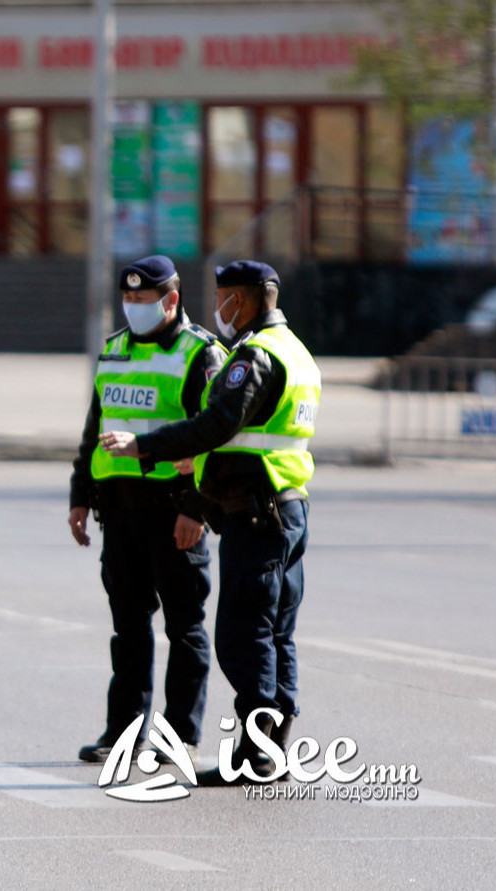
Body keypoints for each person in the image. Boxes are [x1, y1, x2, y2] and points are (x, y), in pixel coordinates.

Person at [98, 260, 319, 786]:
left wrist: (147, 445)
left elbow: (220, 422)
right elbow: (246, 434)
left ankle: (257, 756)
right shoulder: (298, 352)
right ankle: (270, 749)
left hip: (259, 514)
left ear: (239, 301)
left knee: (244, 636)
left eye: (223, 297)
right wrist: (197, 463)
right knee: (275, 634)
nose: (218, 308)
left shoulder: (255, 356)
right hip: (287, 505)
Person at [68, 255, 227, 765]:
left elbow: (211, 440)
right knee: (129, 629)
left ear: (172, 299)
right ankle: (124, 732)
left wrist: (195, 510)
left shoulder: (200, 354)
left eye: (143, 300)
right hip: (118, 512)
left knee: (184, 627)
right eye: (128, 299)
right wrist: (79, 493)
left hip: (172, 510)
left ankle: (179, 735)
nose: (133, 307)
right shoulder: (113, 350)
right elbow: (96, 427)